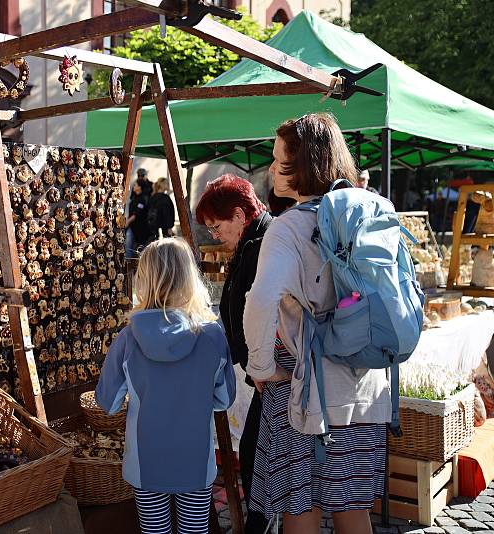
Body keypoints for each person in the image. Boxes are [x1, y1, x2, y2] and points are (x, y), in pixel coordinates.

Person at [244, 113, 391, 534]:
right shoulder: (369, 210)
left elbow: (260, 302)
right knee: (353, 513)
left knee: (300, 510)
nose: (270, 169)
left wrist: (259, 367)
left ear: (303, 165)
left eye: (278, 160)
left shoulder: (288, 228)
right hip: (366, 390)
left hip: (306, 395)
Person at [96, 238, 236, 534]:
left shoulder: (128, 337)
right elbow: (224, 399)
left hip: (145, 461)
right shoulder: (212, 335)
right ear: (190, 277)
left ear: (143, 280)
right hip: (196, 459)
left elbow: (107, 403)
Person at [195, 174, 273, 534]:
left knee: (260, 458)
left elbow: (264, 310)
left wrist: (260, 364)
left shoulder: (262, 245)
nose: (215, 235)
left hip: (270, 374)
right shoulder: (250, 243)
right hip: (262, 371)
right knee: (256, 456)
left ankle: (261, 522)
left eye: (216, 226)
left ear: (240, 215)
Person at [125, 181, 151, 259]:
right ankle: (128, 261)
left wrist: (127, 221)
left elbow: (136, 214)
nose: (134, 186)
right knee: (129, 245)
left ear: (140, 187)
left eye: (135, 185)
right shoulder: (134, 198)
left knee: (137, 245)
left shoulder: (142, 199)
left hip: (140, 228)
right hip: (132, 226)